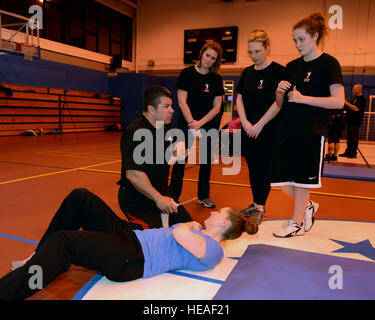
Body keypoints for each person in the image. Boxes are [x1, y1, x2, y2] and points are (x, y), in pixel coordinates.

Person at [0, 188, 258, 300]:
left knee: (64, 242)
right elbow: (169, 234)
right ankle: (37, 255)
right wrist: (172, 218)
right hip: (132, 237)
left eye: (218, 213)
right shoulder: (201, 237)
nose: (212, 214)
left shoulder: (213, 250)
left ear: (225, 224)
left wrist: (189, 225)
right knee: (81, 198)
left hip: (132, 257)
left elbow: (178, 234)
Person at [270, 12, 345, 237]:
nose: (297, 44)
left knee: (302, 181)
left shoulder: (329, 64)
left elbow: (338, 101)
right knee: (281, 180)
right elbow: (281, 103)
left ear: (314, 36)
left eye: (301, 39)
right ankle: (308, 207)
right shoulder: (291, 66)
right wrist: (279, 92)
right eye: (294, 40)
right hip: (287, 129)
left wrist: (304, 99)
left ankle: (296, 223)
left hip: (311, 130)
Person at [117, 85, 192, 229]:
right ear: (151, 109)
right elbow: (133, 174)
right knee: (155, 239)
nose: (172, 110)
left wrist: (178, 154)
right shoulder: (135, 132)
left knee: (189, 228)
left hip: (162, 192)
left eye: (171, 106)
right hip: (137, 198)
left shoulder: (165, 126)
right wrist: (158, 199)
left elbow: (168, 154)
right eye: (166, 106)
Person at [236, 29, 285, 224]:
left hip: (268, 130)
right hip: (248, 129)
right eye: (250, 52)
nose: (253, 56)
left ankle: (261, 207)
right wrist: (246, 122)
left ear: (267, 48)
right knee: (253, 168)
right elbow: (239, 99)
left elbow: (279, 102)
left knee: (264, 168)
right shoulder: (247, 72)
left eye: (257, 51)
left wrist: (259, 125)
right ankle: (256, 204)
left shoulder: (279, 71)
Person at [169, 41, 224, 208]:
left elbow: (217, 107)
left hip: (207, 124)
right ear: (201, 54)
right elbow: (181, 101)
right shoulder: (187, 73)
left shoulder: (216, 79)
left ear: (216, 61)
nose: (209, 60)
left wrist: (201, 123)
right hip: (187, 123)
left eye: (213, 58)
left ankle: (203, 196)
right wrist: (192, 123)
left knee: (206, 162)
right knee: (180, 159)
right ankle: (173, 195)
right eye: (207, 55)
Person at [339, 84, 366, 158]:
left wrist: (346, 103)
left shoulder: (362, 99)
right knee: (349, 138)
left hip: (355, 122)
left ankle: (353, 153)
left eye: (354, 89)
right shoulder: (354, 98)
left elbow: (356, 108)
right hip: (350, 122)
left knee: (353, 138)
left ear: (359, 90)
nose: (352, 90)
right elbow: (349, 108)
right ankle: (348, 152)